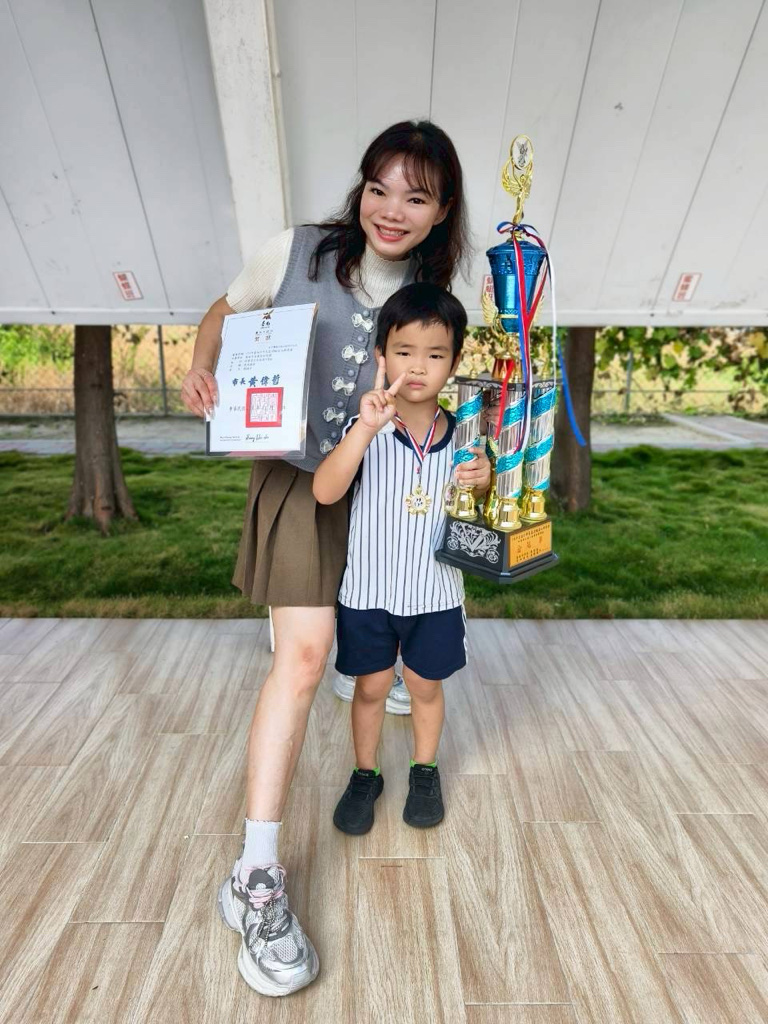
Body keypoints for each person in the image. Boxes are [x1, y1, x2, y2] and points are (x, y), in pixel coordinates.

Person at [181, 121, 470, 998]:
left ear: (441, 210)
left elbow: (460, 394)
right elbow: (225, 310)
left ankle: (379, 761)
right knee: (303, 662)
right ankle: (255, 874)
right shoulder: (297, 252)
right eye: (380, 188)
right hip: (305, 483)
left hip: (388, 494)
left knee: (379, 666)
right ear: (361, 189)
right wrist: (202, 367)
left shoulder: (437, 297)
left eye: (416, 196)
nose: (392, 209)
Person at [313, 282, 490, 836]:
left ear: (454, 363)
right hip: (368, 592)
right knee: (369, 688)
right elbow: (324, 491)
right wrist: (365, 428)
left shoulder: (466, 439)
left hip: (435, 594)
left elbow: (481, 510)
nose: (417, 366)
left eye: (435, 355)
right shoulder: (364, 431)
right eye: (404, 351)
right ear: (381, 357)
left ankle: (424, 770)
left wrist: (485, 480)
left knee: (424, 688)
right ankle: (365, 774)